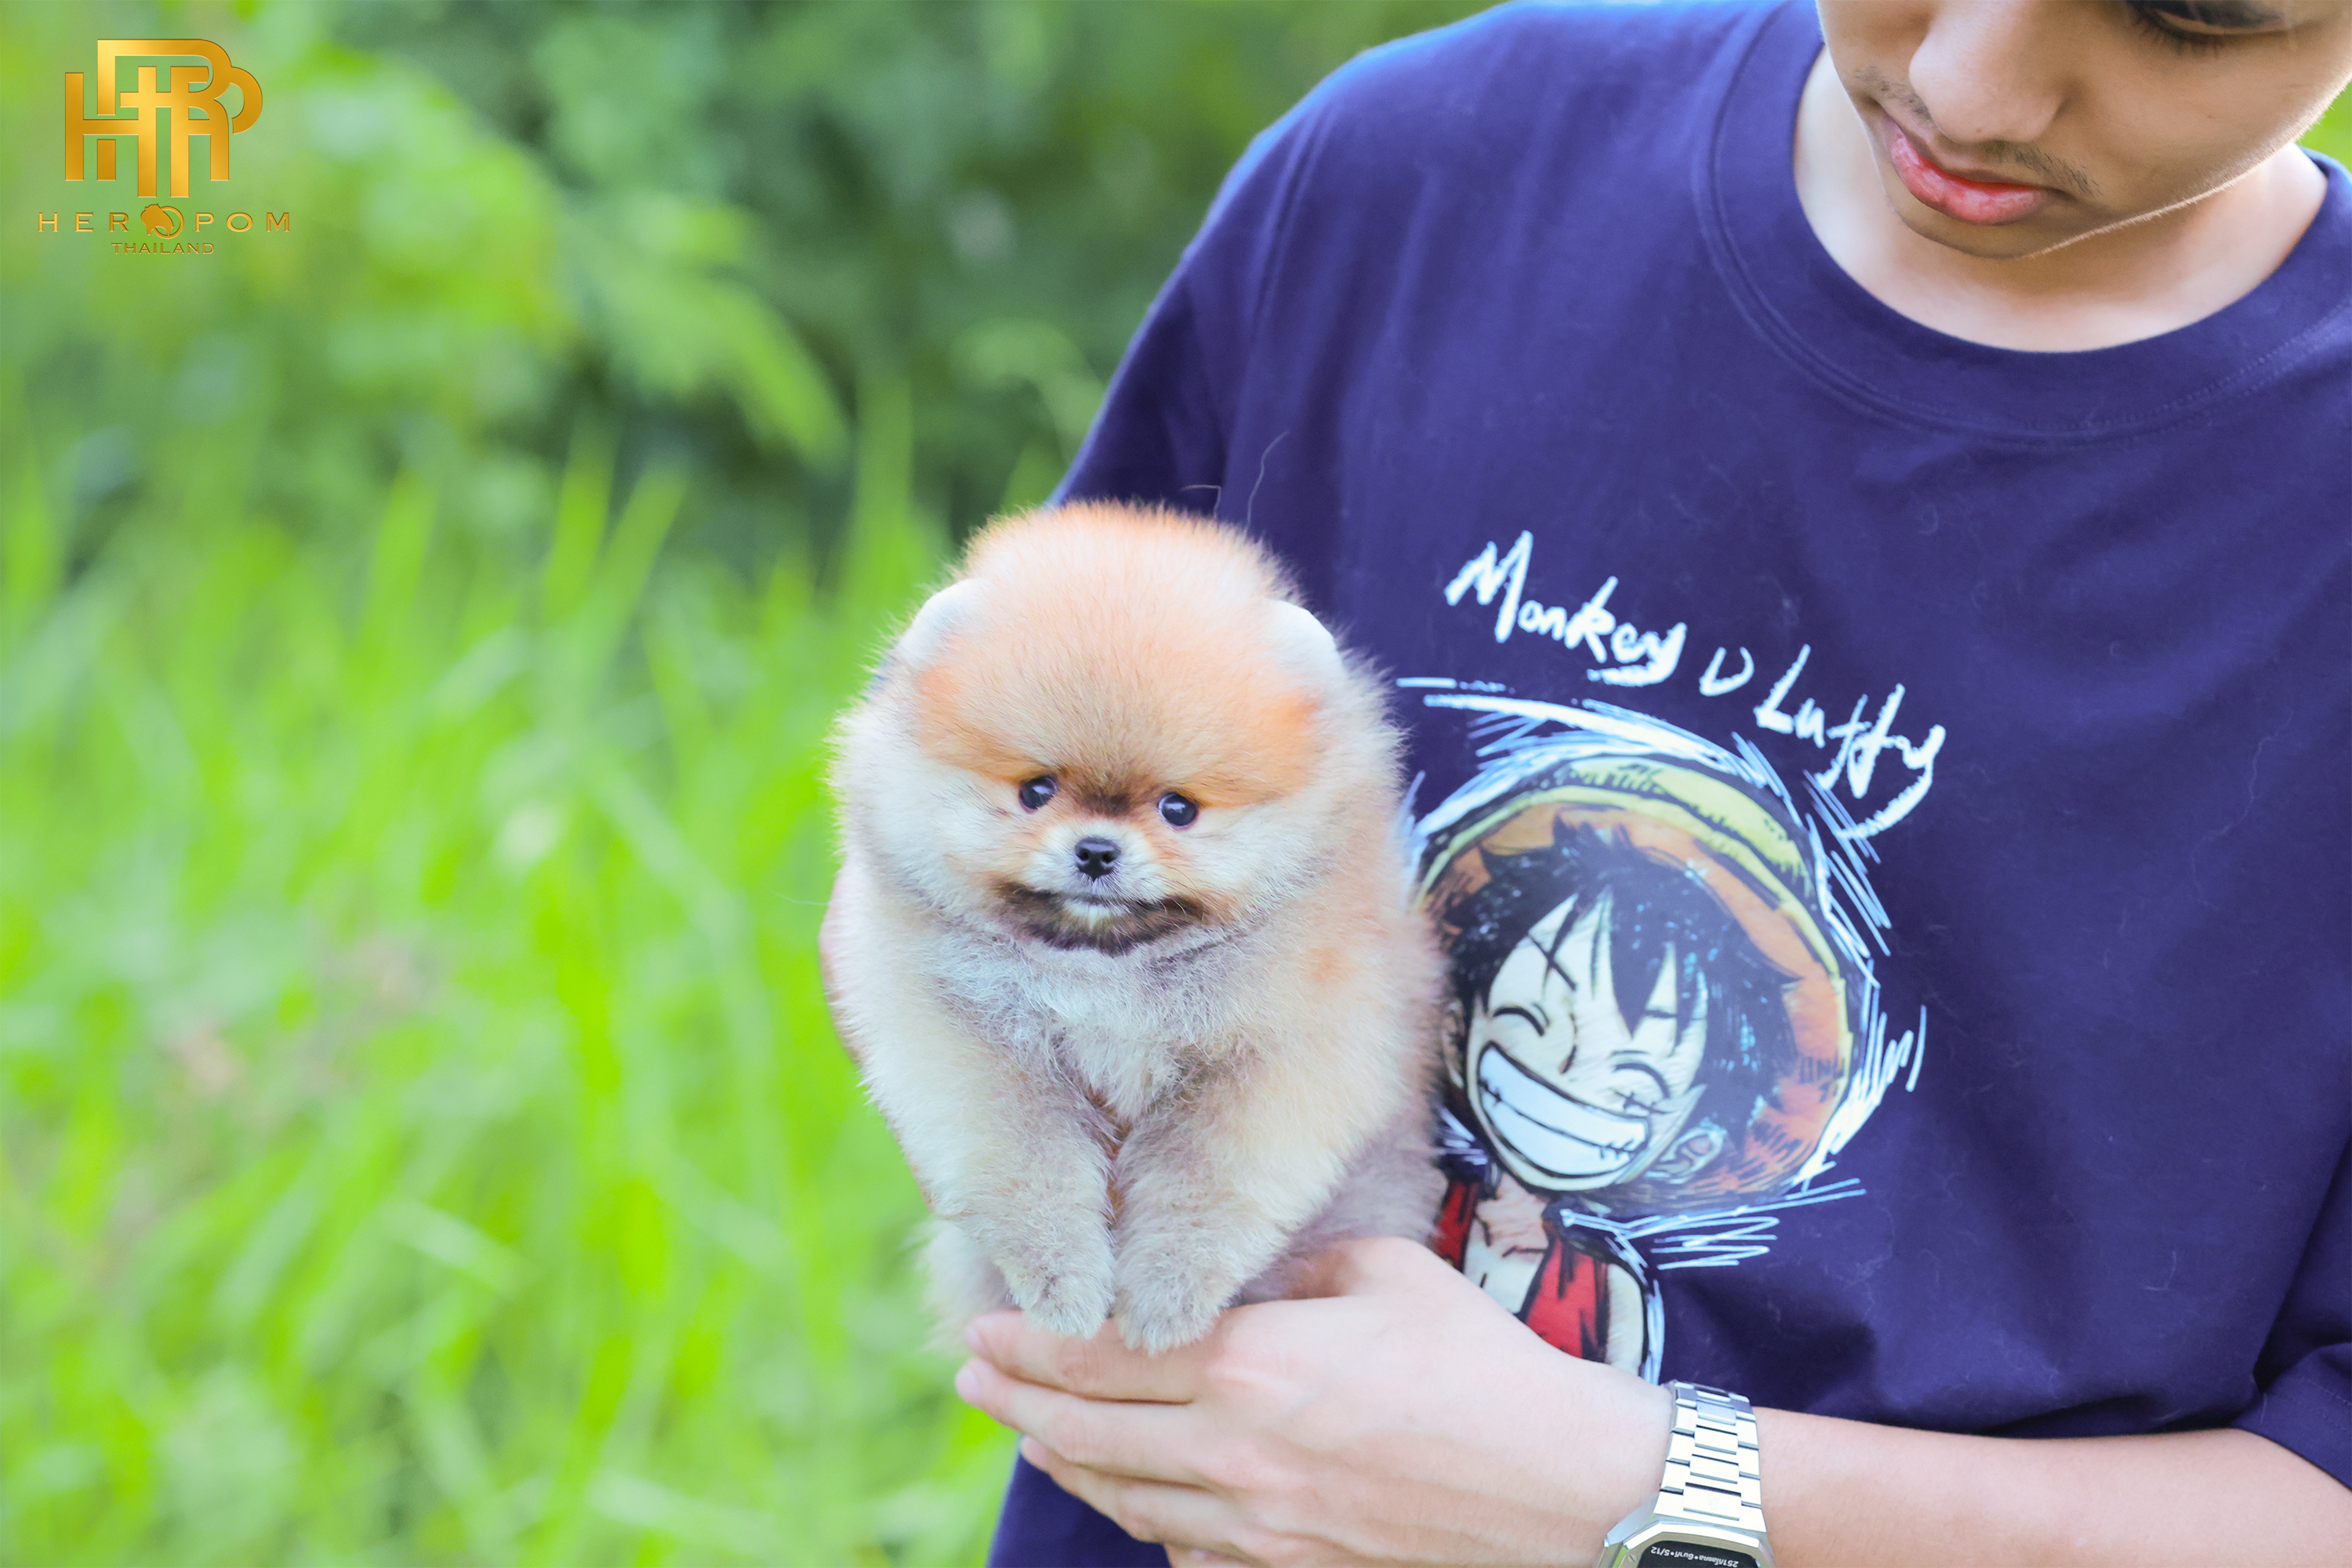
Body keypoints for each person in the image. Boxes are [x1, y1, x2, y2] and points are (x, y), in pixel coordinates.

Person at [884, 1, 2352, 1562]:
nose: (1968, 86)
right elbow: (941, 846)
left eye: (2186, 16)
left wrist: (1638, 1489)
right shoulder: (1415, 175)